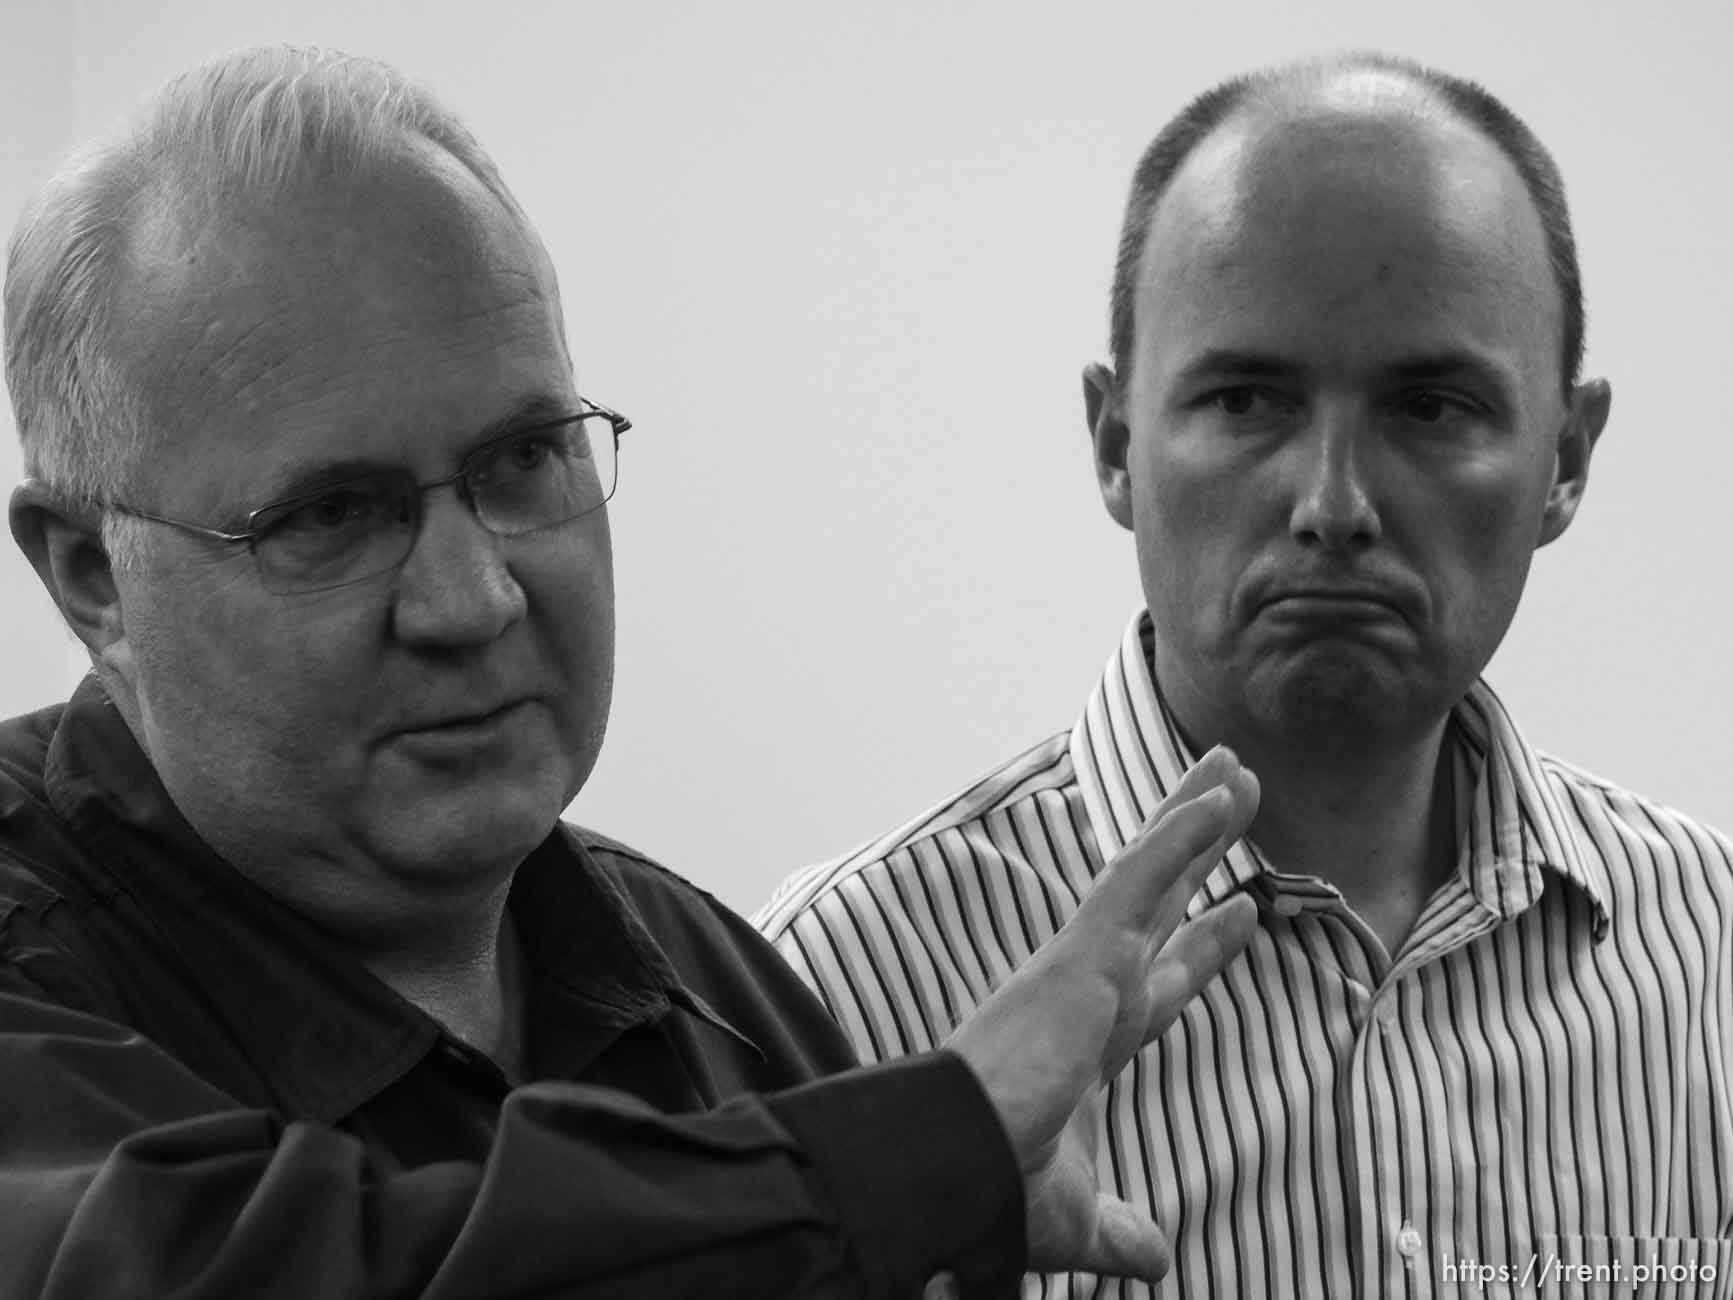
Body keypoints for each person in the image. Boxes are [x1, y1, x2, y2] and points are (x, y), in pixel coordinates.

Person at [0, 45, 1266, 1298]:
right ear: (89, 575)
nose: (472, 597)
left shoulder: (708, 983)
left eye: (522, 460)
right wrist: (921, 1153)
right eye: (331, 515)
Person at [758, 51, 1733, 1299]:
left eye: (1428, 407)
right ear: (1115, 446)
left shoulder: (1707, 961)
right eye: (1244, 400)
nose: (1333, 505)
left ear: (1565, 458)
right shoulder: (840, 991)